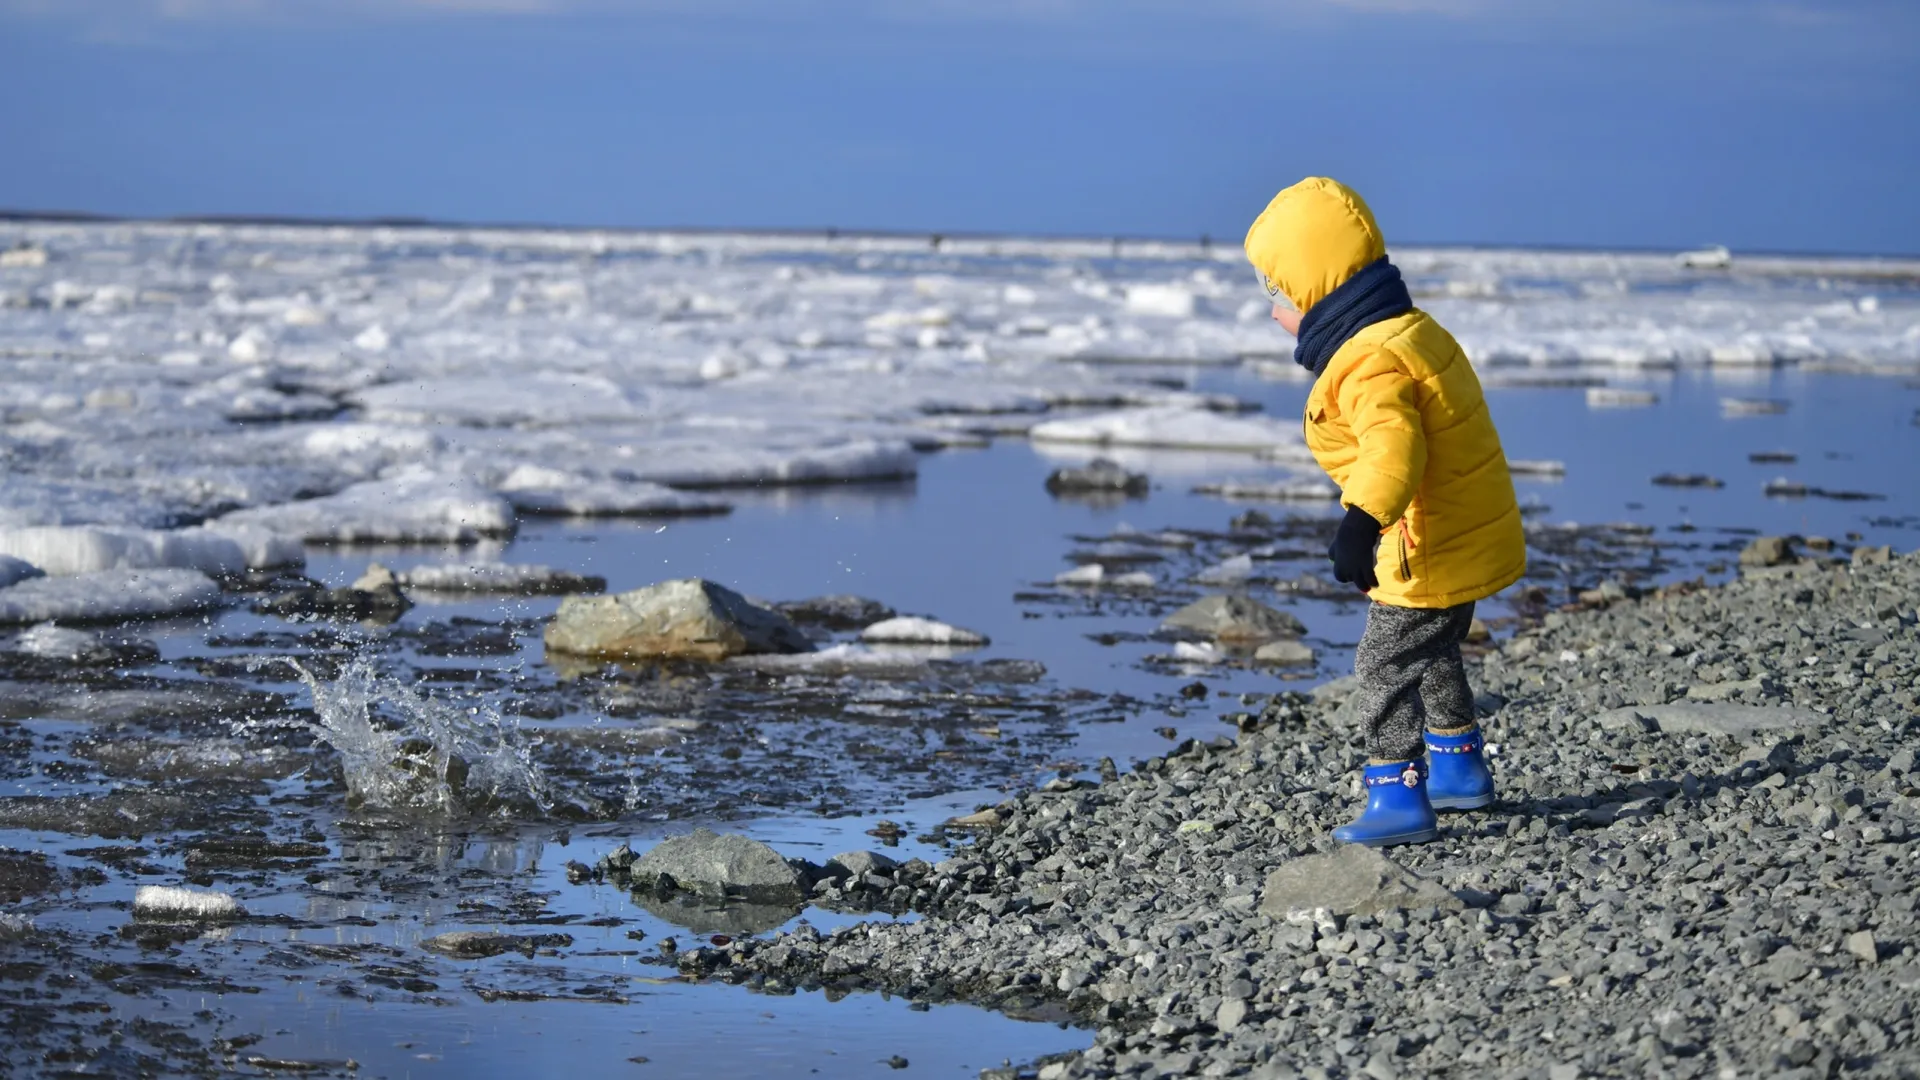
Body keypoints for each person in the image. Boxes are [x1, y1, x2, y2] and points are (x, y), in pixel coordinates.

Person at [1244, 177, 1527, 847]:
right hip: (1455, 536)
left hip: (1419, 542)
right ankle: (1459, 769)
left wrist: (1360, 524)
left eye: (1276, 296)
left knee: (1382, 666)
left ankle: (1396, 793)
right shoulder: (1410, 330)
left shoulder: (1370, 360)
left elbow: (1393, 449)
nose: (1273, 312)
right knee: (1432, 651)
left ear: (1316, 292)